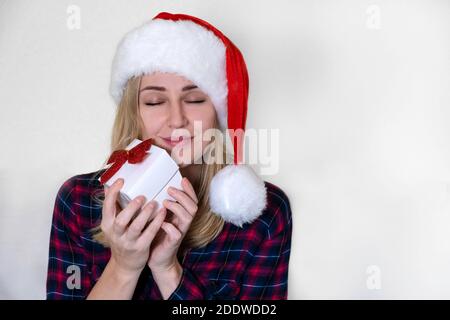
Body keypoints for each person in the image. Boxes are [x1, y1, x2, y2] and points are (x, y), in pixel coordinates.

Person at [46, 12, 292, 300]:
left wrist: (167, 270)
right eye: (154, 101)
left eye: (195, 99)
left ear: (218, 110)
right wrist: (123, 268)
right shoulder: (77, 201)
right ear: (134, 112)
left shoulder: (263, 215)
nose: (176, 120)